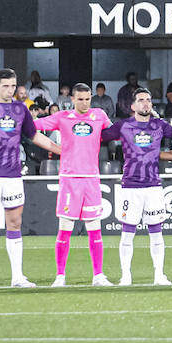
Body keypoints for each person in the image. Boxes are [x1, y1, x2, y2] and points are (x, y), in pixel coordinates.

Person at [0, 69, 62, 289]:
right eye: (6, 86)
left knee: (15, 223)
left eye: (13, 86)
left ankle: (17, 276)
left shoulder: (20, 109)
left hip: (13, 175)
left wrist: (60, 150)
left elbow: (34, 135)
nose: (10, 90)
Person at [35, 84, 113, 288]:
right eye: (81, 99)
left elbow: (116, 132)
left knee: (95, 229)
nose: (85, 103)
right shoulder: (62, 117)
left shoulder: (99, 115)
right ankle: (60, 276)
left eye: (88, 99)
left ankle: (98, 275)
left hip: (91, 179)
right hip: (70, 179)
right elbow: (35, 125)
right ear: (73, 100)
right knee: (65, 228)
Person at [100, 87, 172, 286]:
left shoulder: (159, 125)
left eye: (148, 100)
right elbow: (99, 136)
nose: (145, 103)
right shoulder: (123, 126)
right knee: (127, 233)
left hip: (153, 186)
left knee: (156, 232)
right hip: (130, 186)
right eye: (141, 100)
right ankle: (126, 275)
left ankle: (159, 275)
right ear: (133, 106)